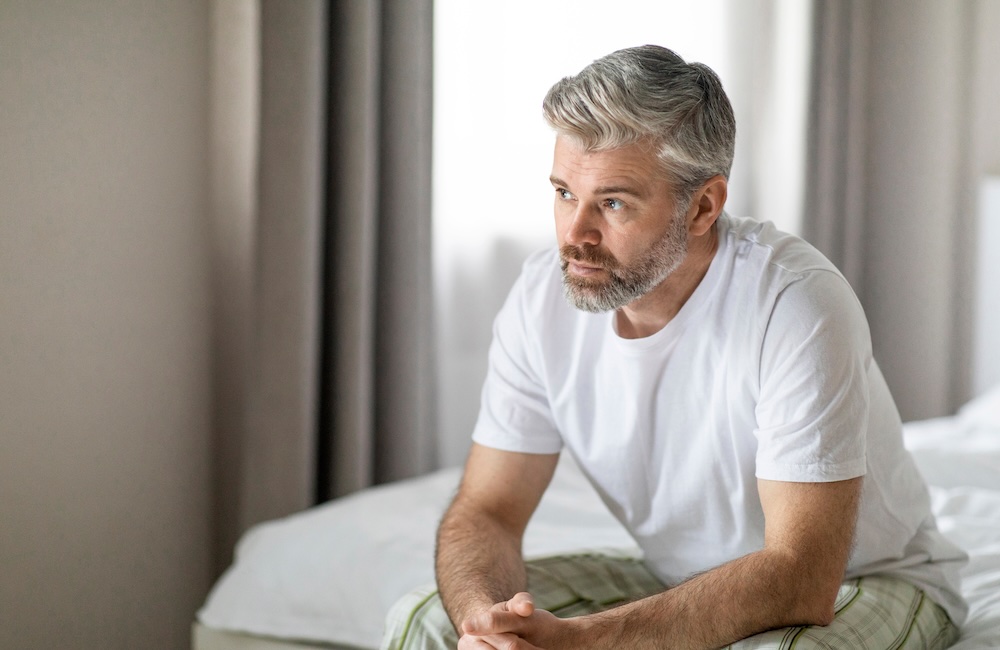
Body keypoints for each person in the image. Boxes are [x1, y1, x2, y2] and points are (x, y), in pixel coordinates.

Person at [383, 45, 967, 650]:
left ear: (703, 206)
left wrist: (582, 641)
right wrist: (486, 625)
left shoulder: (795, 303)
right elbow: (489, 509)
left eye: (613, 203)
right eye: (564, 193)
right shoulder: (539, 300)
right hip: (682, 580)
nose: (575, 234)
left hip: (861, 580)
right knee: (430, 618)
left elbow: (801, 575)